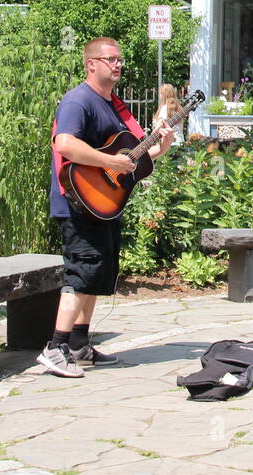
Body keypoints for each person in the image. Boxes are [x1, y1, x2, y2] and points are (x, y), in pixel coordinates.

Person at [40, 37, 173, 378]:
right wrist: (107, 160)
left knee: (97, 272)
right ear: (90, 64)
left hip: (104, 204)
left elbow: (129, 163)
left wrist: (163, 145)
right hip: (78, 203)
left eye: (119, 59)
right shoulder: (77, 101)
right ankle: (55, 347)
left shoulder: (114, 106)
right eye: (109, 59)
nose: (117, 65)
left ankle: (79, 346)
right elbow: (66, 144)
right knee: (81, 272)